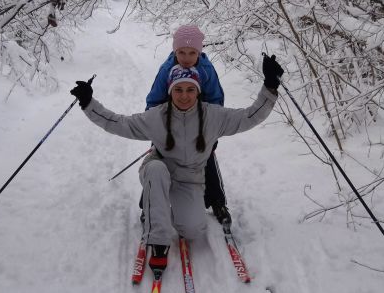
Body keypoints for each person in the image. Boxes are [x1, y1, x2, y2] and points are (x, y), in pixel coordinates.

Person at [70, 54, 284, 273]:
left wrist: (269, 86)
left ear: (198, 91)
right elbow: (119, 123)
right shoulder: (156, 117)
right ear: (170, 90)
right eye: (178, 90)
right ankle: (158, 241)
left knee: (193, 230)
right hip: (160, 170)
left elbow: (250, 116)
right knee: (155, 169)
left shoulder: (214, 116)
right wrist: (89, 104)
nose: (184, 96)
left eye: (190, 90)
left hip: (190, 180)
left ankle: (162, 209)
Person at [144, 25, 231, 225]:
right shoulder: (167, 70)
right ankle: (147, 203)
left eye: (192, 53)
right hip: (169, 125)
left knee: (206, 157)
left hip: (199, 124)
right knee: (158, 160)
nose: (186, 57)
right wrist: (156, 128)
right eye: (181, 52)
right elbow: (153, 101)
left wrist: (212, 132)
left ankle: (217, 201)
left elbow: (217, 99)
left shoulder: (206, 70)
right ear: (175, 51)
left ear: (199, 52)